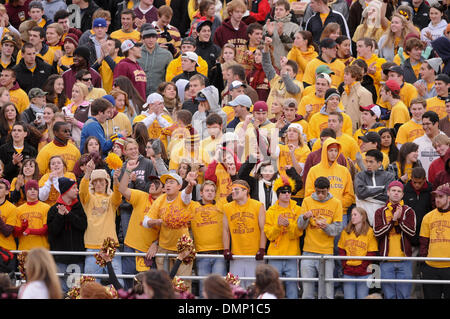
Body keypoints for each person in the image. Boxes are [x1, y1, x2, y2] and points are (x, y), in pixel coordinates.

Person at [143, 171, 198, 291]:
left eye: (171, 182)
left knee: (183, 285)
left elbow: (187, 193)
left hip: (183, 248)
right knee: (164, 284)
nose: (167, 185)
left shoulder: (182, 196)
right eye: (166, 182)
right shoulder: (160, 200)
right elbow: (145, 222)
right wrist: (157, 221)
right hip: (164, 246)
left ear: (179, 186)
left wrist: (190, 184)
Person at [298, 176, 343, 299]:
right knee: (307, 290)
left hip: (326, 252)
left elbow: (338, 229)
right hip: (308, 251)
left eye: (323, 192)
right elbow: (300, 226)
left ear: (328, 189)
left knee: (327, 290)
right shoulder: (307, 201)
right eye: (318, 192)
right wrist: (304, 218)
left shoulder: (336, 203)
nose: (320, 195)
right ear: (314, 189)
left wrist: (326, 227)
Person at [373, 180, 416, 299]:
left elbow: (412, 233)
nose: (396, 193)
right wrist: (392, 221)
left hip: (404, 260)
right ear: (388, 192)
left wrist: (399, 220)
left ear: (402, 195)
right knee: (389, 296)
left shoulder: (408, 211)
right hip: (386, 261)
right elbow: (377, 233)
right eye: (393, 190)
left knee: (404, 295)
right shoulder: (379, 212)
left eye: (399, 191)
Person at [223, 179, 266, 289]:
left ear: (245, 191)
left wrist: (262, 248)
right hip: (236, 255)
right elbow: (225, 230)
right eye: (232, 190)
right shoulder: (227, 207)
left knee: (254, 288)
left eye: (236, 189)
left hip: (254, 255)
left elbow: (263, 229)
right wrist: (226, 249)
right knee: (235, 288)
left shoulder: (258, 205)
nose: (232, 192)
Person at [264, 175, 302, 299]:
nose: (287, 194)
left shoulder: (298, 210)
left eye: (289, 192)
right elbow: (269, 235)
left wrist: (289, 225)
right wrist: (278, 226)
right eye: (283, 192)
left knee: (292, 289)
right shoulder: (270, 211)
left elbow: (298, 233)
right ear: (278, 194)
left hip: (292, 255)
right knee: (273, 289)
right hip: (275, 255)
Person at [47, 177, 87, 294]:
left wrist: (69, 214)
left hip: (76, 256)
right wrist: (60, 216)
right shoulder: (54, 210)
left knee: (75, 290)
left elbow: (83, 225)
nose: (77, 190)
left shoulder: (79, 207)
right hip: (60, 258)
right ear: (66, 190)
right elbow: (53, 231)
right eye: (74, 188)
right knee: (60, 291)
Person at [190, 180, 227, 294]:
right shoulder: (193, 205)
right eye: (207, 190)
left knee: (219, 288)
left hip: (219, 254)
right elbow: (184, 197)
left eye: (212, 191)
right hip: (202, 254)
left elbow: (237, 189)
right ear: (201, 193)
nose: (210, 193)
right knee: (203, 289)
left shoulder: (221, 204)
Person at [419, 184, 450, 299]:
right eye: (436, 196)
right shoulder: (428, 217)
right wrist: (424, 266)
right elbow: (423, 243)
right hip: (431, 267)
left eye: (441, 197)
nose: (437, 199)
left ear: (449, 198)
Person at [354, 149, 395, 226]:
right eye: (366, 161)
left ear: (379, 163)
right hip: (363, 222)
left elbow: (388, 197)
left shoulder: (389, 177)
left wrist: (366, 196)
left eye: (371, 162)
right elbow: (360, 194)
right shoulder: (360, 176)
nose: (368, 164)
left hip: (383, 221)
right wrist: (381, 189)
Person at [263, 0, 301, 70]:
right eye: (276, 9)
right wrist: (269, 34)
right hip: (270, 65)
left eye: (281, 9)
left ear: (287, 12)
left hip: (286, 65)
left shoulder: (294, 27)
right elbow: (261, 45)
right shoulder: (268, 26)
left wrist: (282, 35)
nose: (278, 11)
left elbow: (295, 47)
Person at [14, 180, 51, 251]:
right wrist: (23, 228)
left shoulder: (46, 207)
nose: (33, 191)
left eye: (35, 189)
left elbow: (46, 230)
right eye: (30, 189)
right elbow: (16, 233)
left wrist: (30, 231)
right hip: (24, 250)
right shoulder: (18, 210)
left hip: (42, 250)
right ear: (25, 191)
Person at [137, 26, 173, 96]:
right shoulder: (136, 53)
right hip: (139, 94)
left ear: (157, 38)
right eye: (148, 37)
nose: (151, 40)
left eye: (153, 37)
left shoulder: (166, 54)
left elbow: (170, 77)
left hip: (159, 94)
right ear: (143, 39)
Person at [213, 0, 248, 64]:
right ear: (231, 12)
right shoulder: (220, 30)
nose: (240, 14)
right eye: (237, 12)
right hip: (226, 66)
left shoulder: (247, 29)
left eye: (242, 12)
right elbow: (217, 50)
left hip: (243, 67)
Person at [413, 111, 445, 179]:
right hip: (423, 184)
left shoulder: (447, 141)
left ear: (436, 124)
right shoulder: (416, 143)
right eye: (423, 124)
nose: (425, 127)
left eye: (428, 124)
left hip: (443, 184)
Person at [341, 64, 373, 131]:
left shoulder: (364, 93)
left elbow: (367, 116)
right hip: (344, 131)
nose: (344, 76)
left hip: (357, 133)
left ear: (355, 76)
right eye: (344, 74)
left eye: (347, 74)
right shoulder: (344, 93)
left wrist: (363, 132)